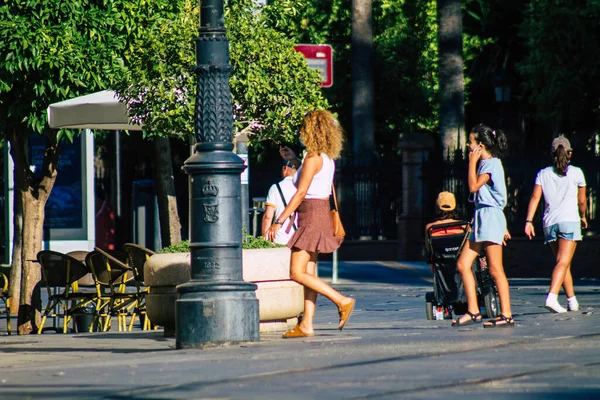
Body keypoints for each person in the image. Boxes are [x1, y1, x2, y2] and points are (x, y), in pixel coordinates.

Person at [265, 110, 355, 338]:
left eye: (303, 129)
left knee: (296, 272)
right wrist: (294, 159)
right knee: (309, 272)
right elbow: (308, 179)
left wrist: (279, 220)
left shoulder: (313, 158)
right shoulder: (323, 158)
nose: (301, 133)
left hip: (311, 216)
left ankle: (342, 300)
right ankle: (307, 324)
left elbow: (302, 191)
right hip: (316, 214)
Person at [451, 123, 514, 328]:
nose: (468, 146)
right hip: (481, 216)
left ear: (480, 146)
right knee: (463, 264)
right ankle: (474, 311)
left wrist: (471, 162)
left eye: (470, 142)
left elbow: (473, 186)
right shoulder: (486, 164)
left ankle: (506, 314)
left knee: (495, 269)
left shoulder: (492, 164)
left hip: (490, 217)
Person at [524, 136, 587, 313]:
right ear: (570, 154)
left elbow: (535, 198)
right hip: (569, 221)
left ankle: (572, 300)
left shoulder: (543, 174)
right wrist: (583, 216)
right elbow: (582, 201)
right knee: (564, 262)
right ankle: (552, 296)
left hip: (549, 223)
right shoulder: (576, 173)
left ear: (552, 154)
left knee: (561, 262)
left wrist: (529, 221)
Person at [261, 159, 301, 245]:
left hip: (280, 237)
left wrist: (265, 238)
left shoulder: (275, 188)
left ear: (285, 168)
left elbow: (268, 216)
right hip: (300, 237)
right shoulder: (303, 188)